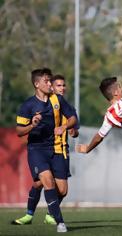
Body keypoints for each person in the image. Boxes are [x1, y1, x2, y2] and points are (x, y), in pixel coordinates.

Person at [14, 68, 77, 233]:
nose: (50, 84)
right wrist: (32, 124)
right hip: (36, 150)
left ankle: (50, 211)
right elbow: (19, 131)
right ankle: (60, 222)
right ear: (37, 84)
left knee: (62, 190)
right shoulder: (28, 105)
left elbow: (73, 118)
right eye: (47, 81)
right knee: (47, 181)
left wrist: (64, 126)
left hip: (56, 149)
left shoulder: (57, 100)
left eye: (50, 81)